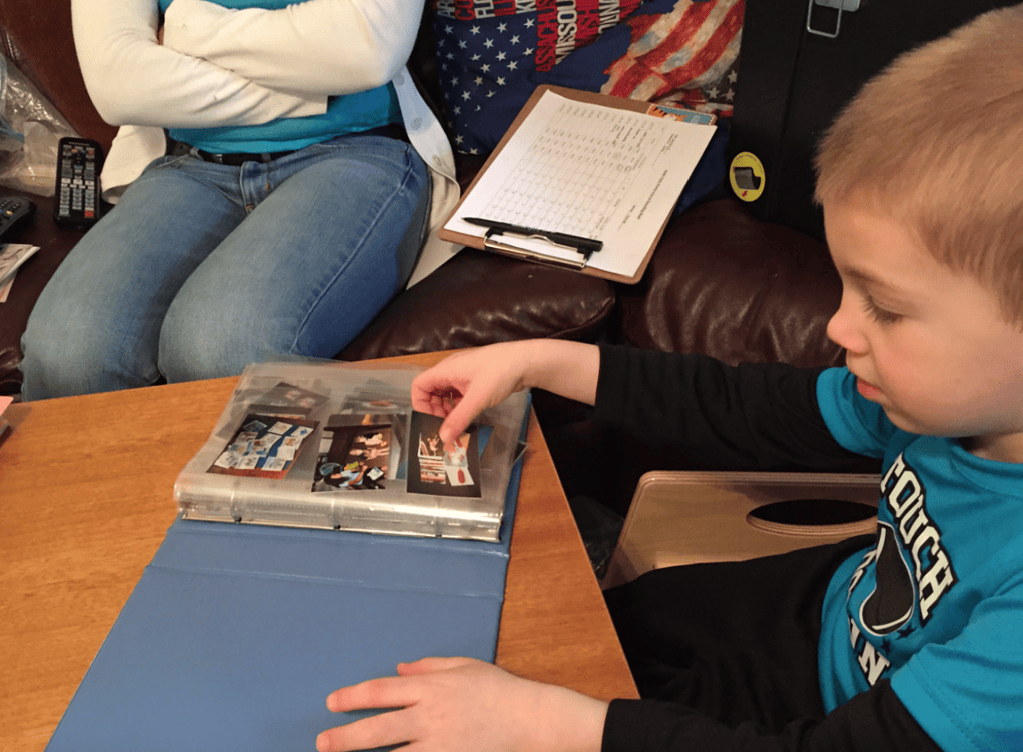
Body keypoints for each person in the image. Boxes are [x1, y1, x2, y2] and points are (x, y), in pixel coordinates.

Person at [314, 6, 1023, 752]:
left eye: (886, 308)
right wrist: (541, 360)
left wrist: (555, 725)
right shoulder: (933, 402)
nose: (840, 328)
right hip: (810, 620)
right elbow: (745, 406)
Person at [19, 0, 458, 400]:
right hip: (191, 163)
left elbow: (367, 50)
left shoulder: (187, 24)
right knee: (65, 356)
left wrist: (189, 27)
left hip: (358, 151)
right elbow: (119, 87)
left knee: (221, 349)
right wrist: (323, 86)